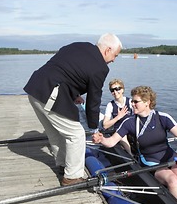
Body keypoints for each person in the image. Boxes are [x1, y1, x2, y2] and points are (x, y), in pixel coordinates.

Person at [92, 86, 177, 204]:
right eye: (132, 101)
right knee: (172, 180)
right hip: (150, 161)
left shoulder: (163, 117)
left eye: (135, 102)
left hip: (170, 157)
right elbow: (111, 142)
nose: (132, 104)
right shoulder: (129, 122)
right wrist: (101, 139)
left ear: (147, 102)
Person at [24, 33, 122, 186]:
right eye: (115, 55)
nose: (114, 60)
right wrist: (94, 127)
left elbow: (66, 69)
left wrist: (74, 93)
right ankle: (72, 177)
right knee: (76, 134)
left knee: (56, 133)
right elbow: (93, 100)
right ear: (107, 50)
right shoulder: (100, 67)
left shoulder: (79, 45)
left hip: (35, 89)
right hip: (49, 93)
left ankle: (63, 166)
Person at [102, 79, 133, 154]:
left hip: (131, 128)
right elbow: (105, 125)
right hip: (119, 130)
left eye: (117, 89)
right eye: (112, 90)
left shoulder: (130, 102)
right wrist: (118, 117)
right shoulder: (110, 105)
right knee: (123, 137)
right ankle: (132, 156)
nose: (115, 92)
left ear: (122, 90)